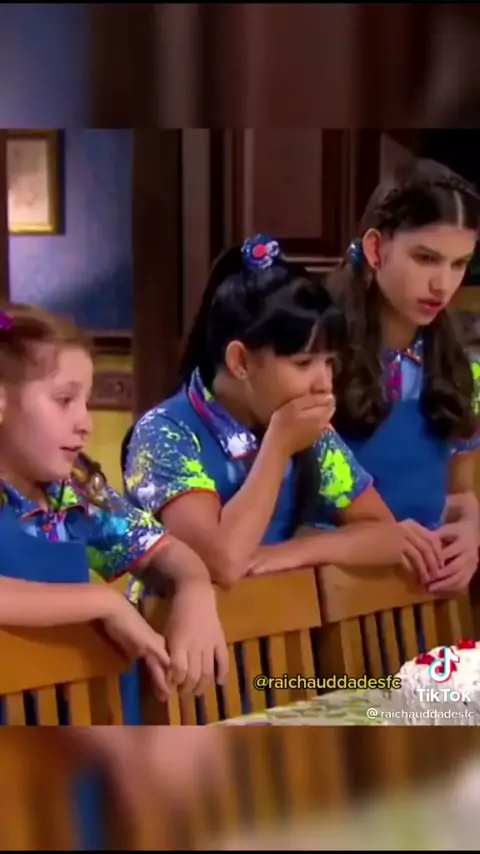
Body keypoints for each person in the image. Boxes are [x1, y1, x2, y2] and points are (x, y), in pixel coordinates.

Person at [122, 234, 403, 591]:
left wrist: (297, 551)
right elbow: (221, 564)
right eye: (303, 363)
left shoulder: (305, 430)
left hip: (277, 621)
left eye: (329, 363)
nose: (324, 384)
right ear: (240, 361)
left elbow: (388, 537)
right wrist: (278, 446)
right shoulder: (164, 434)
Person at [0, 301, 228, 725]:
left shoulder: (77, 497)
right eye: (64, 400)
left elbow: (164, 551)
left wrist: (195, 590)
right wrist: (103, 602)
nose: (85, 422)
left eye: (85, 401)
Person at [320, 158, 480, 595]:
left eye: (459, 264)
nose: (442, 285)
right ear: (376, 249)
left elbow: (459, 494)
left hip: (419, 595)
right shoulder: (317, 359)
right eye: (426, 258)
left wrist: (470, 530)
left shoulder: (460, 369)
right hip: (329, 591)